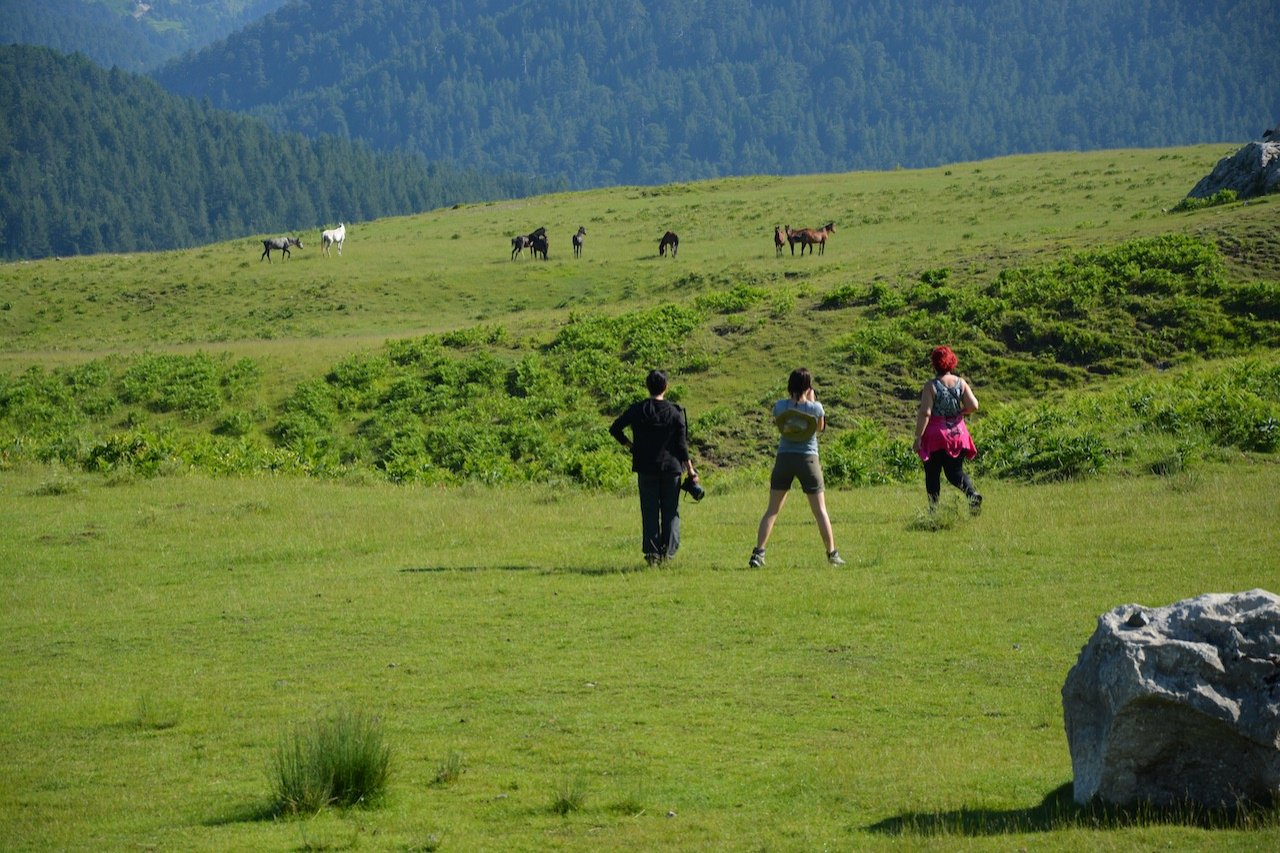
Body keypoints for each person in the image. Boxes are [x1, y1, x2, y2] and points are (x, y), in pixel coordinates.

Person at [749, 368, 844, 568]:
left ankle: (758, 553)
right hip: (808, 459)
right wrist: (811, 399)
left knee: (772, 510)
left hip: (784, 457)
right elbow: (820, 428)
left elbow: (781, 425)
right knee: (820, 511)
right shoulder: (816, 408)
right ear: (808, 387)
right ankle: (832, 554)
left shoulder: (780, 406)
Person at [610, 370, 698, 564]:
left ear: (647, 386)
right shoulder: (675, 412)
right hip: (671, 468)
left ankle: (652, 554)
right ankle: (669, 553)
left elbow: (615, 428)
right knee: (671, 511)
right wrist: (690, 471)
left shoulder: (638, 409)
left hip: (646, 467)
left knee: (649, 510)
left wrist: (630, 446)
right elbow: (682, 445)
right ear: (666, 387)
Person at [912, 345, 982, 512]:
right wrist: (961, 413)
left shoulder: (931, 386)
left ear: (934, 364)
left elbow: (925, 413)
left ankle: (934, 509)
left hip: (936, 435)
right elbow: (974, 405)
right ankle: (972, 494)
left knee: (932, 472)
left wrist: (918, 437)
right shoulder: (961, 382)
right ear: (952, 362)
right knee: (954, 472)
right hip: (958, 433)